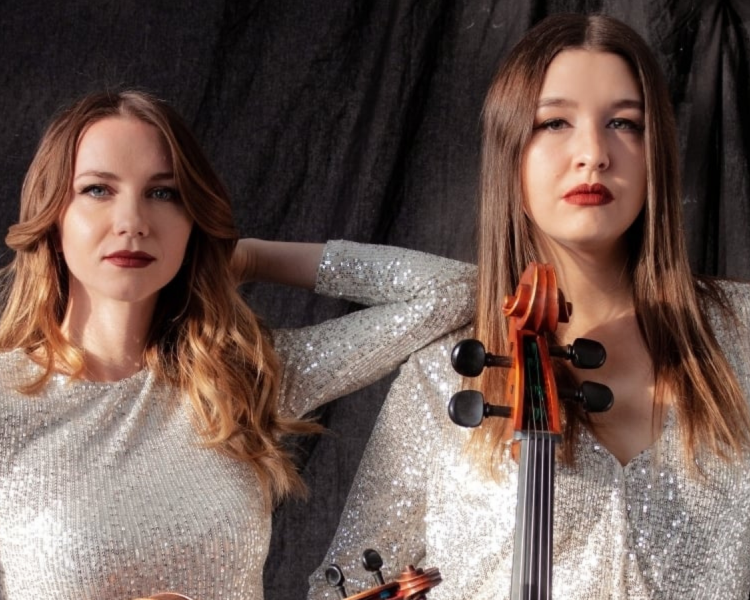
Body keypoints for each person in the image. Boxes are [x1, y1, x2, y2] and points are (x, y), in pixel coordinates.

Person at [308, 13, 750, 600]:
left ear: (657, 153)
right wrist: (249, 256)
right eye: (554, 122)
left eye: (623, 122)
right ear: (510, 152)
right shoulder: (441, 380)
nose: (593, 153)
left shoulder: (741, 334)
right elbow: (343, 584)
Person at [0, 90, 476, 600]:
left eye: (163, 193)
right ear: (52, 215)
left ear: (192, 218)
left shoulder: (243, 378)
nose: (132, 221)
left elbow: (455, 292)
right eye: (98, 189)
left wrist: (251, 257)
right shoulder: (8, 406)